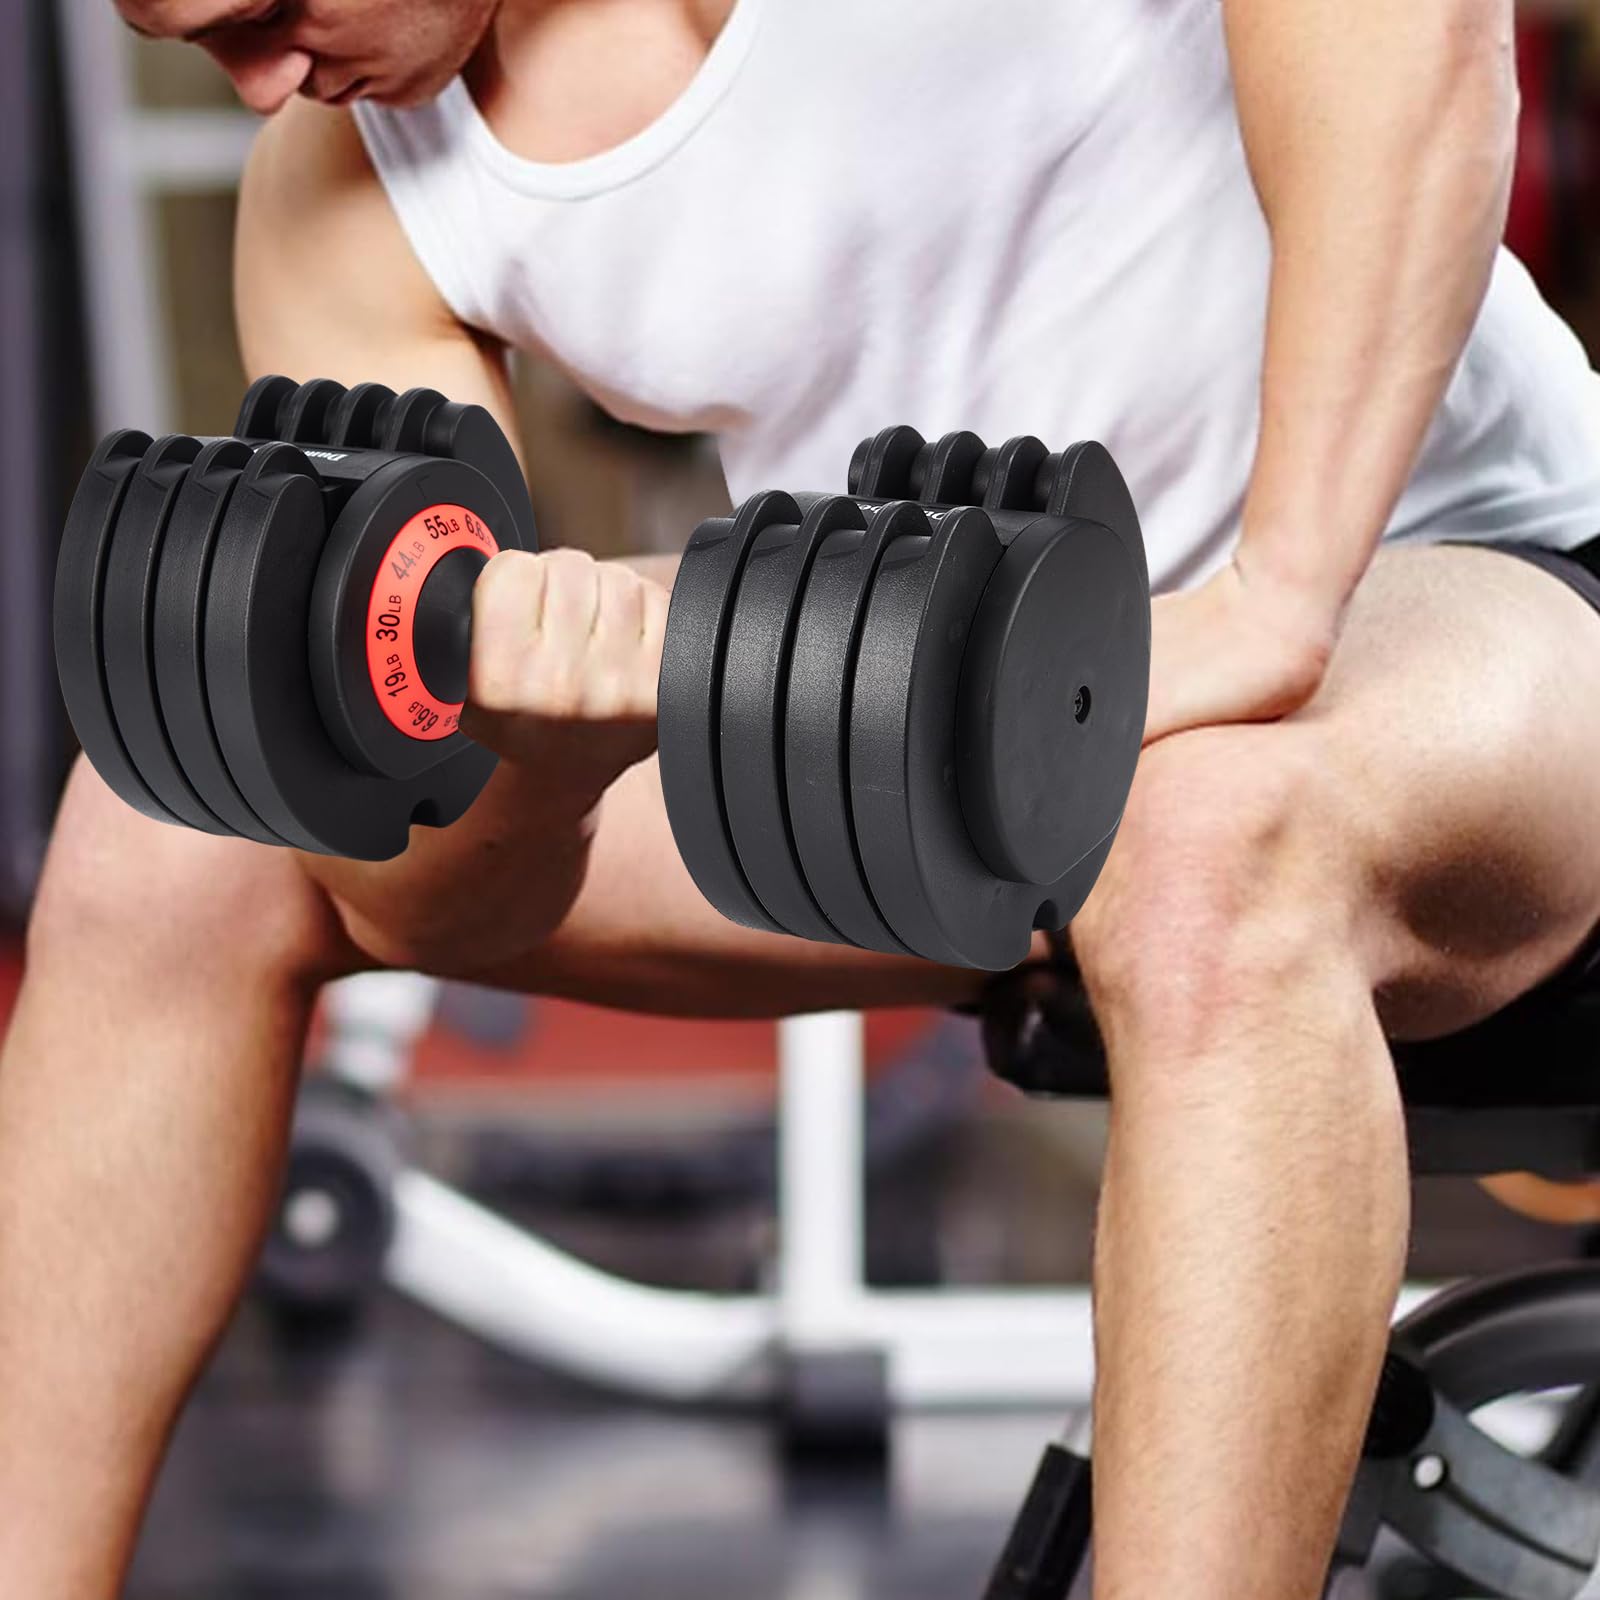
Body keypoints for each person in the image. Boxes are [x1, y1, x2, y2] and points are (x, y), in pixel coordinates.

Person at [4, 0, 1599, 1594]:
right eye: (192, 38)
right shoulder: (340, 195)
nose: (261, 79)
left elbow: (1422, 32)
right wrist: (537, 770)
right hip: (954, 733)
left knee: (1203, 846)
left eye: (270, 10)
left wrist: (1278, 597)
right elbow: (419, 889)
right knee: (174, 836)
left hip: (1462, 605)